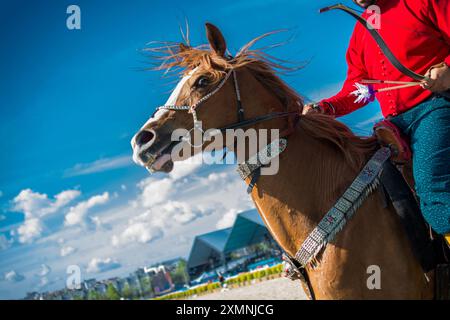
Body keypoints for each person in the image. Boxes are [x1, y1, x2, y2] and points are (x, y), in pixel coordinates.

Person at [303, 0, 450, 243]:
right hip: (392, 127)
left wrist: (447, 69)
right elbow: (360, 89)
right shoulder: (361, 32)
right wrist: (326, 108)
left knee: (433, 188)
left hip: (436, 108)